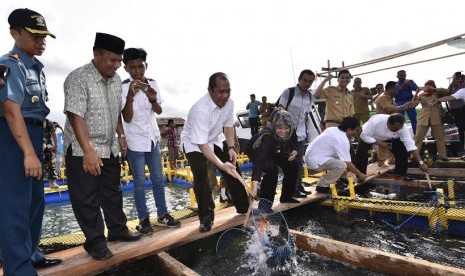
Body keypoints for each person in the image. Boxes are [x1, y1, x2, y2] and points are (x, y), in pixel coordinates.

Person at [64, 33, 141, 261]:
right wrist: (88, 150)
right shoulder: (78, 78)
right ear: (96, 54)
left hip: (110, 147)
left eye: (119, 61)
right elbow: (75, 114)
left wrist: (121, 135)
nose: (117, 66)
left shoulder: (116, 80)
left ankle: (117, 230)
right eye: (112, 60)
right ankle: (95, 242)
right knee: (86, 198)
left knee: (112, 192)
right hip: (83, 149)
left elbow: (115, 111)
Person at [0, 8, 62, 275]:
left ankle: (31, 252)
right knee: (15, 204)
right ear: (15, 33)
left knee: (35, 201)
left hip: (34, 134)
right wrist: (28, 152)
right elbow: (11, 110)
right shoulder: (11, 64)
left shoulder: (35, 67)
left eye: (44, 36)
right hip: (14, 137)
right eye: (35, 36)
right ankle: (17, 266)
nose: (42, 41)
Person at [121, 47, 181, 234]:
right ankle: (144, 219)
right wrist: (131, 95)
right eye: (132, 68)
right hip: (134, 140)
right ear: (126, 68)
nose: (137, 71)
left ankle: (162, 214)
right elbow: (127, 118)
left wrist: (152, 99)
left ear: (146, 65)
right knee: (139, 181)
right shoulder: (122, 86)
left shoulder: (153, 83)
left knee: (157, 178)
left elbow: (159, 111)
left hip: (152, 139)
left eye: (140, 67)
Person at [181, 72, 249, 232]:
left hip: (214, 139)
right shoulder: (200, 110)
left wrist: (231, 147)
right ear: (210, 90)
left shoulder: (229, 103)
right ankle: (206, 218)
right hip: (193, 142)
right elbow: (202, 145)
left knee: (233, 167)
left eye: (228, 91)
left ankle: (244, 207)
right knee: (201, 175)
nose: (225, 96)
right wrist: (220, 164)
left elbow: (228, 126)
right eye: (220, 91)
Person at [246, 108, 300, 209]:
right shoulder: (267, 136)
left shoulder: (291, 130)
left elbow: (295, 140)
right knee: (271, 171)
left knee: (293, 165)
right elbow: (259, 161)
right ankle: (265, 206)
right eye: (279, 128)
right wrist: (254, 187)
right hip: (258, 152)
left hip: (275, 150)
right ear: (274, 126)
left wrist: (295, 150)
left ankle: (286, 197)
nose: (283, 131)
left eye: (286, 128)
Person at [277, 69, 316, 198]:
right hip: (287, 134)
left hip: (300, 133)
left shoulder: (309, 96)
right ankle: (290, 191)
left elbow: (306, 114)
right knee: (290, 163)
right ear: (299, 79)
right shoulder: (289, 92)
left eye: (310, 82)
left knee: (299, 162)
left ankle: (298, 186)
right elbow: (280, 110)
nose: (307, 83)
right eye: (305, 80)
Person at [354, 114, 429, 179]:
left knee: (402, 152)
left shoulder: (402, 128)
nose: (397, 130)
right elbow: (364, 136)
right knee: (361, 153)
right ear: (389, 123)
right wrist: (380, 143)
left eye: (399, 129)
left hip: (390, 137)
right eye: (395, 129)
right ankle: (361, 176)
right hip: (370, 136)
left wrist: (421, 163)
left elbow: (411, 145)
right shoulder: (375, 122)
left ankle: (400, 176)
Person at [305, 117, 367, 194]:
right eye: (356, 130)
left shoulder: (332, 129)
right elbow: (348, 163)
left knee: (341, 157)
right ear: (349, 129)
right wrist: (360, 174)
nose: (356, 133)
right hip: (315, 161)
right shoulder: (342, 140)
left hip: (312, 157)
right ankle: (322, 186)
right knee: (342, 165)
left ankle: (339, 180)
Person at [410, 80, 449, 161]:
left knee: (440, 137)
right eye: (426, 85)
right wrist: (416, 93)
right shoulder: (421, 95)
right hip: (423, 118)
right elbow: (413, 104)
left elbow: (447, 91)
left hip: (437, 118)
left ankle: (443, 156)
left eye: (430, 85)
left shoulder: (438, 93)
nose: (427, 87)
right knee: (418, 138)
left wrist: (434, 89)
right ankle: (413, 157)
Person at [375, 81, 408, 166]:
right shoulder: (382, 97)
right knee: (382, 143)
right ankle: (381, 162)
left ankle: (391, 160)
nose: (396, 90)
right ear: (389, 88)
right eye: (395, 89)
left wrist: (404, 106)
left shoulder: (391, 98)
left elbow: (395, 108)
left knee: (392, 142)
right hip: (383, 124)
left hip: (390, 124)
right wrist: (401, 107)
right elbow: (389, 109)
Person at [438, 85, 465, 157]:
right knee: (458, 132)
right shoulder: (462, 91)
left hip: (460, 112)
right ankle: (459, 152)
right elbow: (449, 96)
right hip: (457, 113)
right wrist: (438, 100)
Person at [395, 70, 422, 134]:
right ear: (397, 76)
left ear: (406, 75)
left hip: (410, 101)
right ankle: (399, 135)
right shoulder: (395, 84)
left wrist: (409, 85)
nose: (402, 76)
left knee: (413, 119)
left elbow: (417, 89)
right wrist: (401, 87)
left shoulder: (410, 81)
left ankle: (416, 134)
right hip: (399, 102)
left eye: (404, 75)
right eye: (401, 75)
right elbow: (393, 95)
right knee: (399, 120)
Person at [446, 72, 465, 152]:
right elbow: (446, 93)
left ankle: (461, 150)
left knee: (460, 131)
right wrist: (453, 81)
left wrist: (463, 79)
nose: (458, 80)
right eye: (457, 78)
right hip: (453, 112)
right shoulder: (451, 88)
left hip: (461, 111)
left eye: (459, 78)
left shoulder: (462, 88)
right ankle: (457, 150)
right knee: (454, 132)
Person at [43, 118, 60, 188]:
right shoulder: (32, 120)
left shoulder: (48, 122)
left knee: (51, 163)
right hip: (34, 144)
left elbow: (53, 133)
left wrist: (56, 145)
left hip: (48, 145)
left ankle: (52, 182)